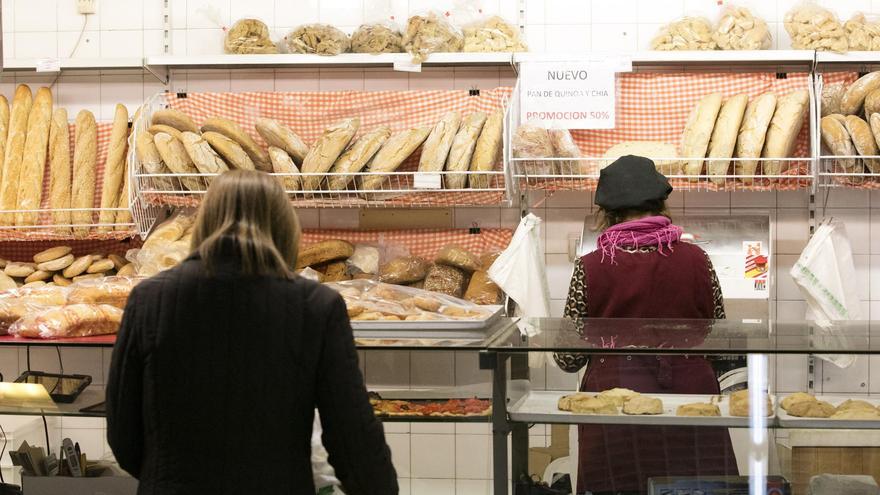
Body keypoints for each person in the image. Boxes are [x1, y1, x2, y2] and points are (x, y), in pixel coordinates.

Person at [106, 170, 398, 495]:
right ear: (284, 225)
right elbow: (352, 439)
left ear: (205, 221)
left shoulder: (148, 300)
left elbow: (123, 434)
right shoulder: (316, 306)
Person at [554, 155, 737, 495]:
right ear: (661, 205)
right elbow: (719, 337)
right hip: (690, 401)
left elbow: (567, 359)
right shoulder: (697, 259)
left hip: (614, 402)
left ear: (607, 213)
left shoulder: (591, 266)